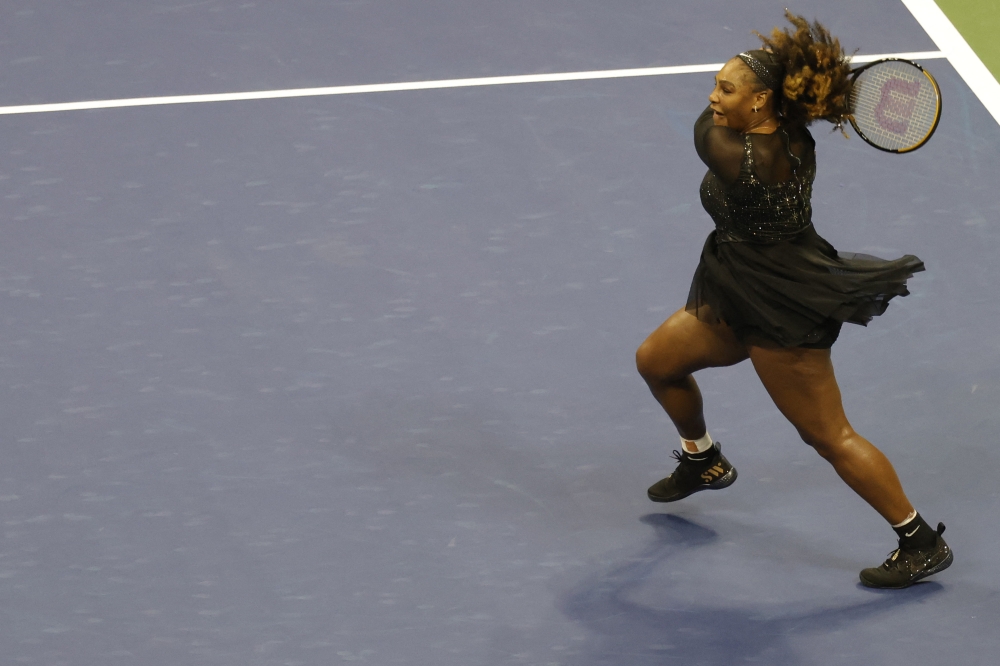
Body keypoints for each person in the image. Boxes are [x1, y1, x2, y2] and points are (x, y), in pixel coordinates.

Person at [634, 12, 952, 589]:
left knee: (828, 436)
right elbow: (745, 108)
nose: (713, 98)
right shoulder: (787, 130)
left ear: (761, 102)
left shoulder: (740, 156)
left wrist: (784, 88)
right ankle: (704, 460)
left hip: (781, 308)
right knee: (657, 361)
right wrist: (789, 91)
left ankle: (920, 540)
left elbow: (703, 127)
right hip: (737, 284)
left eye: (726, 89)